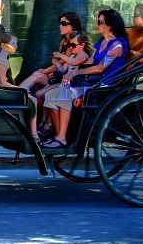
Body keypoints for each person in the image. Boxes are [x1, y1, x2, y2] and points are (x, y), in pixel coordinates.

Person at [39, 8, 130, 149]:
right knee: (50, 95)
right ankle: (59, 134)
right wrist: (71, 69)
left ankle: (61, 137)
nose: (96, 24)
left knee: (64, 94)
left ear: (110, 25)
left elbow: (100, 67)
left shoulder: (117, 45)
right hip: (90, 81)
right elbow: (89, 62)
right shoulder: (102, 42)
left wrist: (76, 73)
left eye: (100, 22)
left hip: (103, 84)